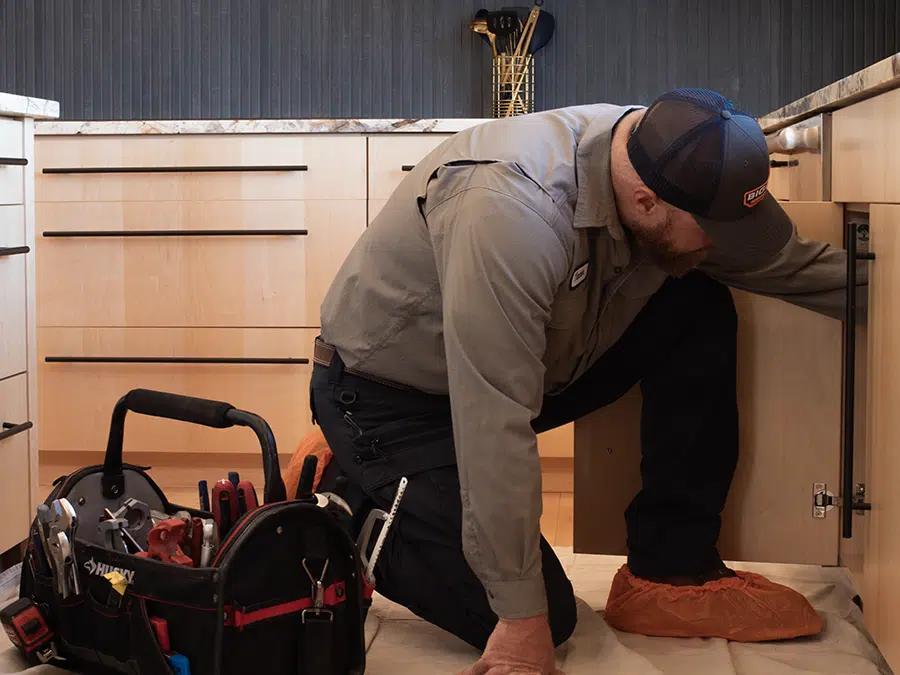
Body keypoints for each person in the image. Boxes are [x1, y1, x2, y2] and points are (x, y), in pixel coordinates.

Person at [311, 89, 858, 675]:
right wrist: (520, 621)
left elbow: (779, 265)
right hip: (394, 400)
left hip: (533, 365)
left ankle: (671, 569)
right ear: (646, 202)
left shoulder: (659, 160)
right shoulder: (508, 212)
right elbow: (492, 421)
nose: (723, 244)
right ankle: (343, 497)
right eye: (715, 230)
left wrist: (888, 290)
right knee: (539, 614)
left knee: (694, 297)